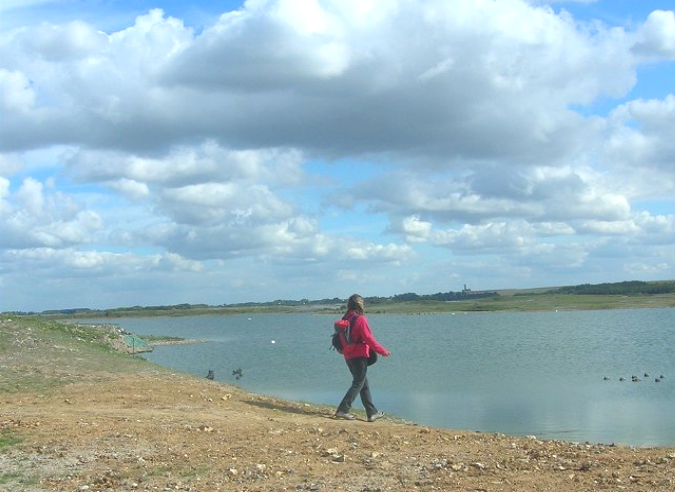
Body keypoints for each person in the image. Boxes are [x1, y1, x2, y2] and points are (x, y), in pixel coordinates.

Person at [334, 294, 391, 422]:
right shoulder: (361, 319)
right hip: (359, 356)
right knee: (358, 383)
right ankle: (342, 410)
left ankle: (372, 413)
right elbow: (369, 339)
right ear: (360, 304)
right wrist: (383, 351)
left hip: (348, 356)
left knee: (363, 384)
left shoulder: (345, 318)